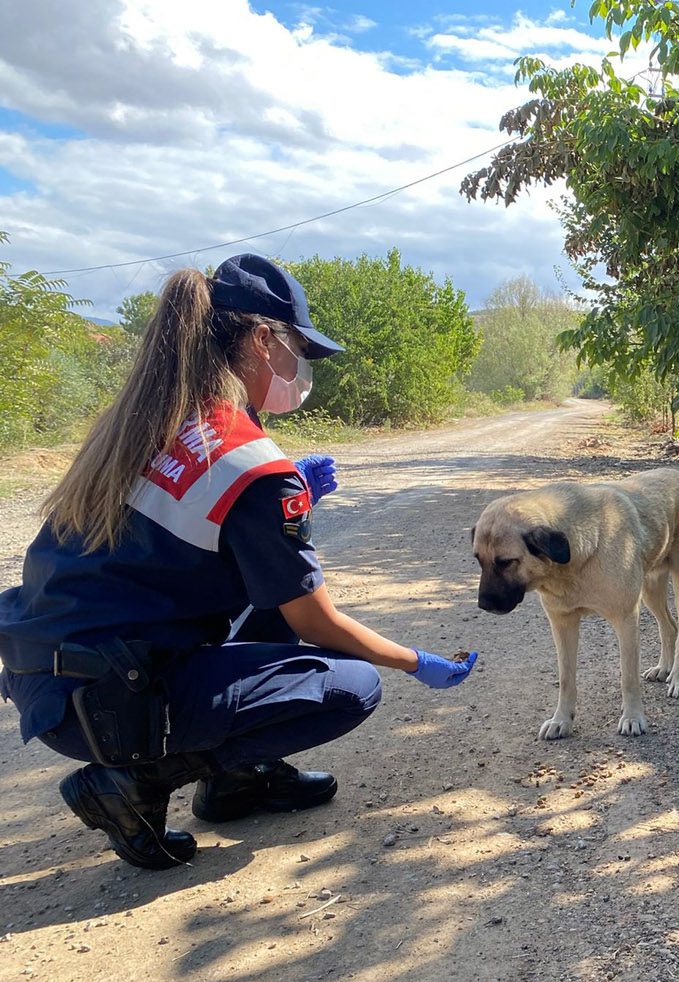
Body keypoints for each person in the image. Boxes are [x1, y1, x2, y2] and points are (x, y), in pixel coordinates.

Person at [0, 254, 479, 871]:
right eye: (297, 349)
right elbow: (318, 624)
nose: (300, 369)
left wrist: (282, 502)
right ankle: (135, 785)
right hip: (109, 705)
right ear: (261, 339)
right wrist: (417, 662)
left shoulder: (146, 422)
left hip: (48, 676)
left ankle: (236, 780)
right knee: (350, 686)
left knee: (279, 595)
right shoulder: (245, 460)